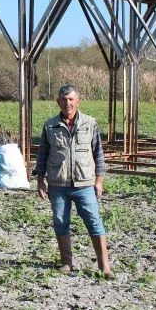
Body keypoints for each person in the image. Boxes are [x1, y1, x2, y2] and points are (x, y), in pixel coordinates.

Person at [33, 85, 114, 279]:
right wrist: (40, 181)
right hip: (58, 184)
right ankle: (67, 263)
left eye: (71, 99)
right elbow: (42, 155)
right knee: (61, 222)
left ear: (78, 101)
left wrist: (99, 181)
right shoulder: (50, 125)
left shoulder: (90, 123)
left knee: (94, 221)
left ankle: (105, 266)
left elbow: (98, 154)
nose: (67, 103)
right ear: (58, 102)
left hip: (84, 184)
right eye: (63, 99)